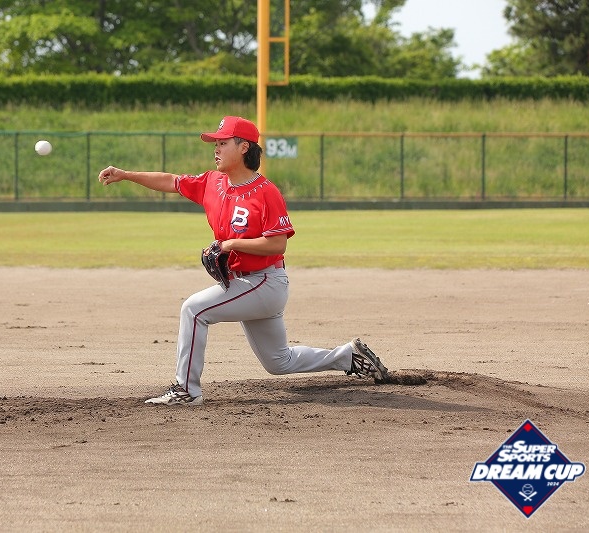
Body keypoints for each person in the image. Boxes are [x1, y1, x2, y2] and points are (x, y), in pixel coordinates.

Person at [98, 116, 390, 406]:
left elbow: (277, 243)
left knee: (194, 310)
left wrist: (230, 244)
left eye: (222, 143)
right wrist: (126, 174)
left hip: (264, 282)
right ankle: (349, 356)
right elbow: (172, 181)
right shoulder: (213, 183)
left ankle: (186, 390)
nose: (216, 149)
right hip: (245, 283)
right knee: (279, 361)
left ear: (243, 147)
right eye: (215, 143)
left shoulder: (266, 192)